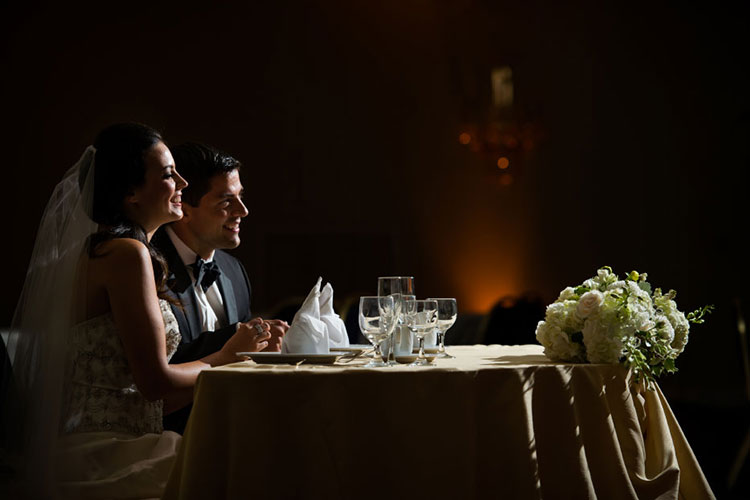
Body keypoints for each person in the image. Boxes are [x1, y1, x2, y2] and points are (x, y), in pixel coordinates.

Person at [3, 123, 272, 499]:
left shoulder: (115, 251)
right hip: (109, 451)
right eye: (167, 174)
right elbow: (155, 384)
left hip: (126, 439)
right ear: (130, 192)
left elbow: (145, 387)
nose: (181, 182)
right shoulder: (126, 255)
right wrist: (228, 356)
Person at [151, 142, 289, 434]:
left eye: (241, 197)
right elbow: (156, 377)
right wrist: (239, 345)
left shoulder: (233, 271)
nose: (243, 211)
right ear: (183, 208)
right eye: (226, 202)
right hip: (168, 432)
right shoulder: (148, 267)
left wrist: (265, 343)